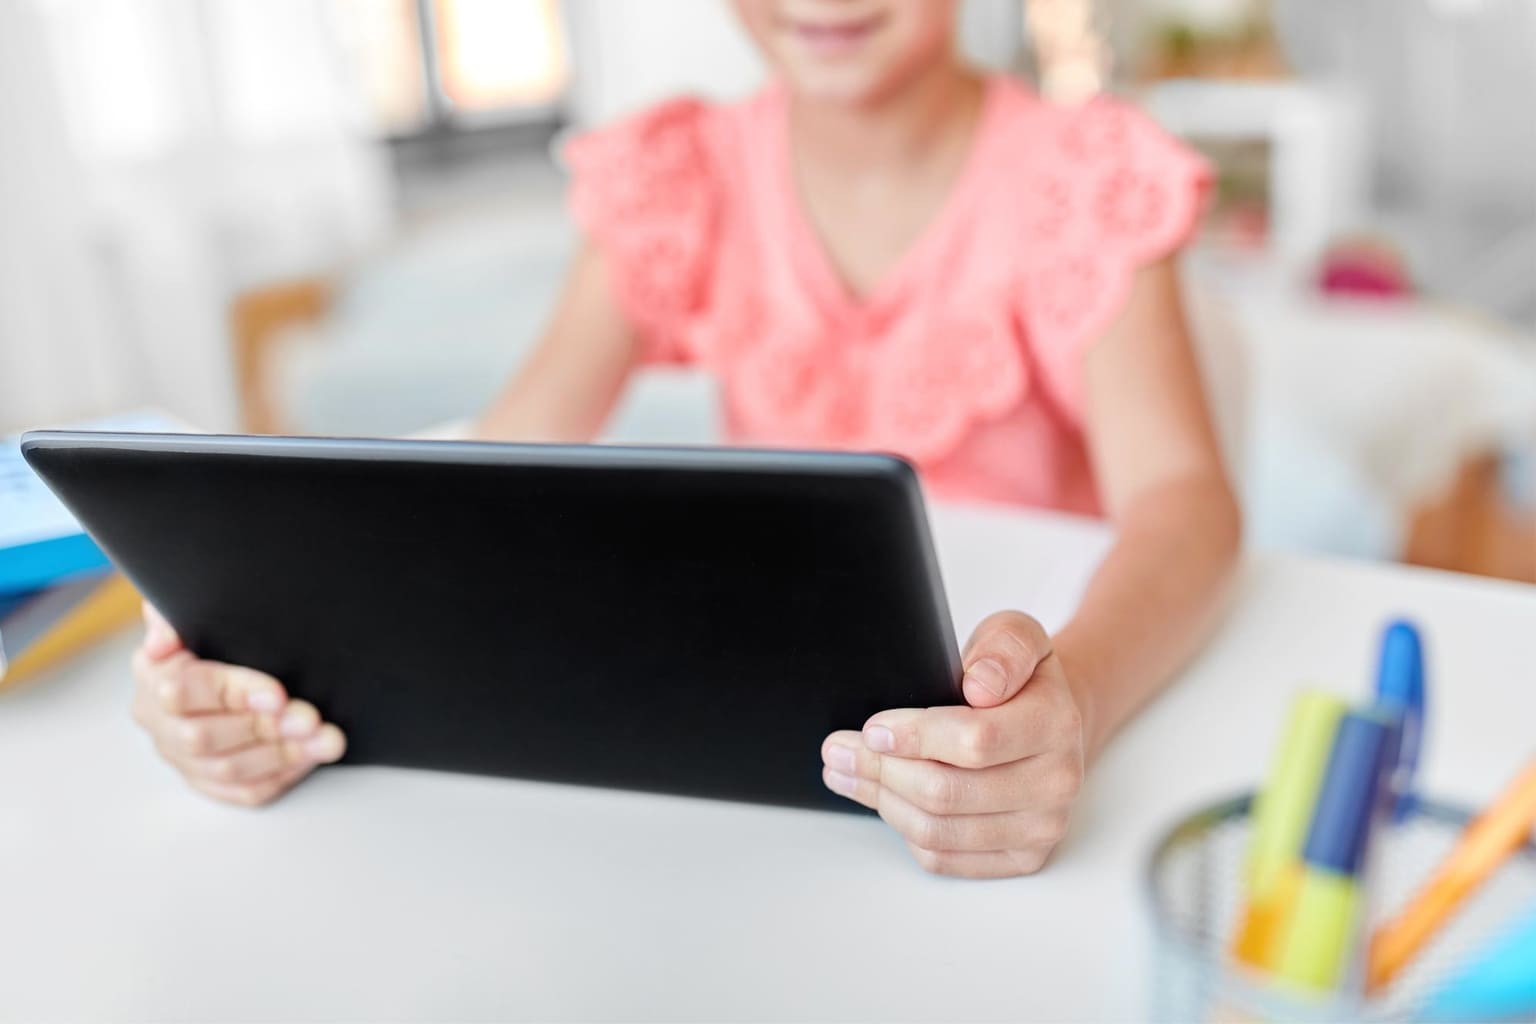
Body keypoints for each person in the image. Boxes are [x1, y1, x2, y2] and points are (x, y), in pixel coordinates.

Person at [130, 0, 1241, 878]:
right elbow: (498, 467)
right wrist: (257, 655)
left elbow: (1187, 498)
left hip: (1003, 700)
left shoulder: (1080, 176)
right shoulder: (681, 174)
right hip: (775, 763)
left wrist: (1077, 705)